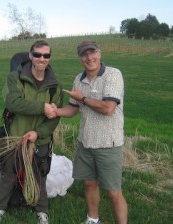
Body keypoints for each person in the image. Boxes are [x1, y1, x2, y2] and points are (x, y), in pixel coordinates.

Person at [45, 40, 127, 224]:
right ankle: (93, 219)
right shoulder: (79, 80)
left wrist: (83, 98)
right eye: (84, 54)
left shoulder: (113, 75)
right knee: (89, 184)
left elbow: (108, 108)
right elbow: (73, 108)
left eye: (93, 53)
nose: (89, 58)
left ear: (100, 53)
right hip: (86, 142)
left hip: (108, 143)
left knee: (113, 191)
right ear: (80, 58)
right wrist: (56, 111)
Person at [0, 40, 63, 224]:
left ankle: (42, 211)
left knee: (39, 174)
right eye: (38, 54)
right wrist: (43, 107)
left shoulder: (54, 86)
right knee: (8, 173)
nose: (42, 58)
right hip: (15, 136)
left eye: (46, 55)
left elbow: (54, 117)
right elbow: (13, 103)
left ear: (50, 58)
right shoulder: (15, 78)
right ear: (30, 55)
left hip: (39, 140)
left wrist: (38, 133)